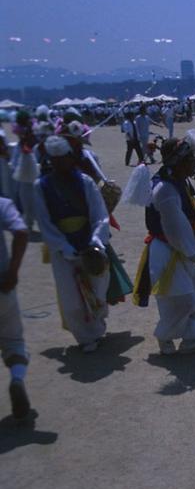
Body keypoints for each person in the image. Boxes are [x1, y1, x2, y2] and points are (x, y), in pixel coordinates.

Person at [131, 130, 195, 354]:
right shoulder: (165, 189)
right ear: (179, 162)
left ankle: (192, 339)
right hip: (169, 251)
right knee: (181, 299)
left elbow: (189, 203)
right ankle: (165, 337)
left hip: (183, 249)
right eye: (191, 160)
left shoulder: (179, 180)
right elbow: (175, 230)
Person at [33, 135, 110, 353]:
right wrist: (63, 246)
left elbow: (99, 214)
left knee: (98, 290)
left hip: (90, 243)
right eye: (54, 160)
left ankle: (97, 327)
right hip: (62, 248)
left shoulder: (84, 182)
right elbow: (44, 222)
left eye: (63, 159)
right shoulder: (42, 186)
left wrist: (95, 240)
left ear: (70, 157)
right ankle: (86, 337)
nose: (60, 164)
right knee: (71, 297)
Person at [0, 196, 31, 420]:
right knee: (13, 341)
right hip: (2, 287)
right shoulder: (2, 204)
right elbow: (21, 231)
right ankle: (17, 379)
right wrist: (13, 272)